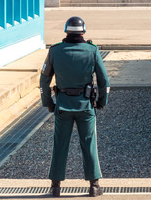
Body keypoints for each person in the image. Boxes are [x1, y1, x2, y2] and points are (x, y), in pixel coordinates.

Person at [40, 16, 109, 197]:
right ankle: (94, 186)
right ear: (83, 32)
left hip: (62, 106)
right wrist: (102, 101)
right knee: (89, 144)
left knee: (59, 145)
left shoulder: (54, 51)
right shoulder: (92, 51)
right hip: (86, 106)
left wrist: (48, 103)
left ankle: (55, 187)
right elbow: (104, 80)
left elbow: (44, 80)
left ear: (66, 32)